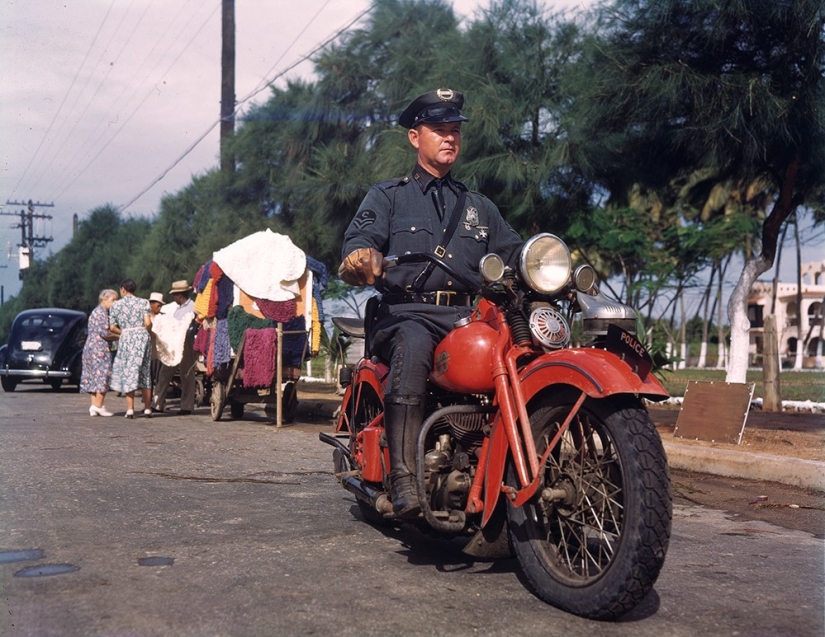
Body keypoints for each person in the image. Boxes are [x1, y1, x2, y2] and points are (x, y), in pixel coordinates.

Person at [339, 88, 523, 517]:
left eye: (455, 131)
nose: (450, 138)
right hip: (405, 313)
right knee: (415, 341)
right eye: (439, 130)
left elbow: (513, 253)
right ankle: (404, 477)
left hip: (463, 317)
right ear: (414, 137)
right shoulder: (388, 196)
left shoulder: (479, 206)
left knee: (514, 347)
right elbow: (358, 242)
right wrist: (361, 257)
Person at [108, 278, 153, 418]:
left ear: (123, 289)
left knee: (128, 372)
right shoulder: (144, 302)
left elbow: (112, 327)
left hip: (127, 337)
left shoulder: (116, 306)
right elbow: (148, 323)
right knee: (145, 372)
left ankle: (130, 409)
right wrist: (143, 331)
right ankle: (147, 408)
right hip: (142, 337)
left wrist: (126, 332)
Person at [152, 280, 197, 416]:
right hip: (173, 343)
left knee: (186, 374)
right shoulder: (175, 308)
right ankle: (158, 403)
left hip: (187, 343)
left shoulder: (193, 307)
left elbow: (193, 327)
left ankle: (187, 406)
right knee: (165, 372)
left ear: (179, 295)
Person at [80, 288, 119, 416]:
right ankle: (99, 405)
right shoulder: (101, 313)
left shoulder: (96, 312)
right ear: (104, 299)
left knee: (93, 377)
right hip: (99, 349)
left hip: (91, 348)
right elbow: (105, 333)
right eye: (113, 300)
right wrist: (121, 335)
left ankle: (94, 405)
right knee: (102, 375)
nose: (115, 303)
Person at [148, 292, 164, 394]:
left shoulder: (162, 317)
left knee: (159, 375)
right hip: (149, 349)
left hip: (159, 349)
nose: (159, 308)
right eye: (158, 305)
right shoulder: (146, 317)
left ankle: (157, 397)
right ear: (151, 304)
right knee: (149, 374)